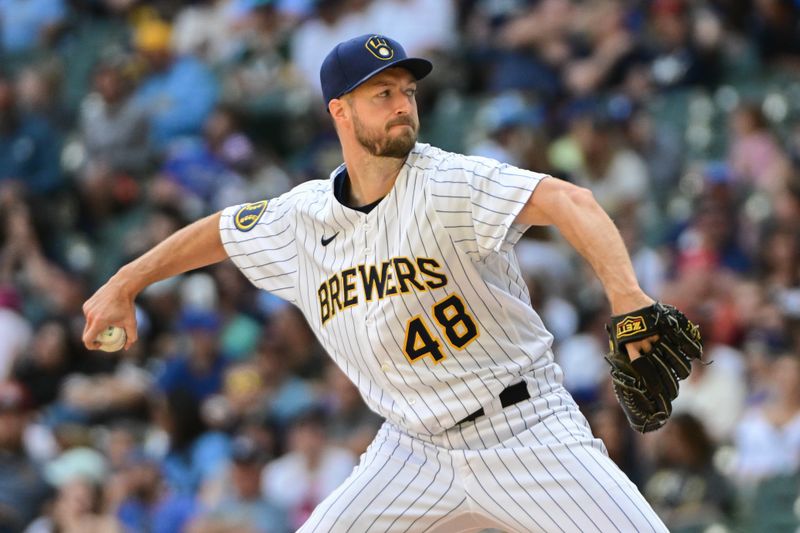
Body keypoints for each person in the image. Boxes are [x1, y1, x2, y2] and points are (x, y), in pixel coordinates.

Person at [83, 33, 670, 531]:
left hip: (523, 429)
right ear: (339, 110)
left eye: (408, 92)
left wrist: (627, 296)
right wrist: (125, 282)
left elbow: (571, 201)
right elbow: (219, 231)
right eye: (382, 93)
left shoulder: (450, 183)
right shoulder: (301, 217)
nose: (402, 106)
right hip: (411, 451)